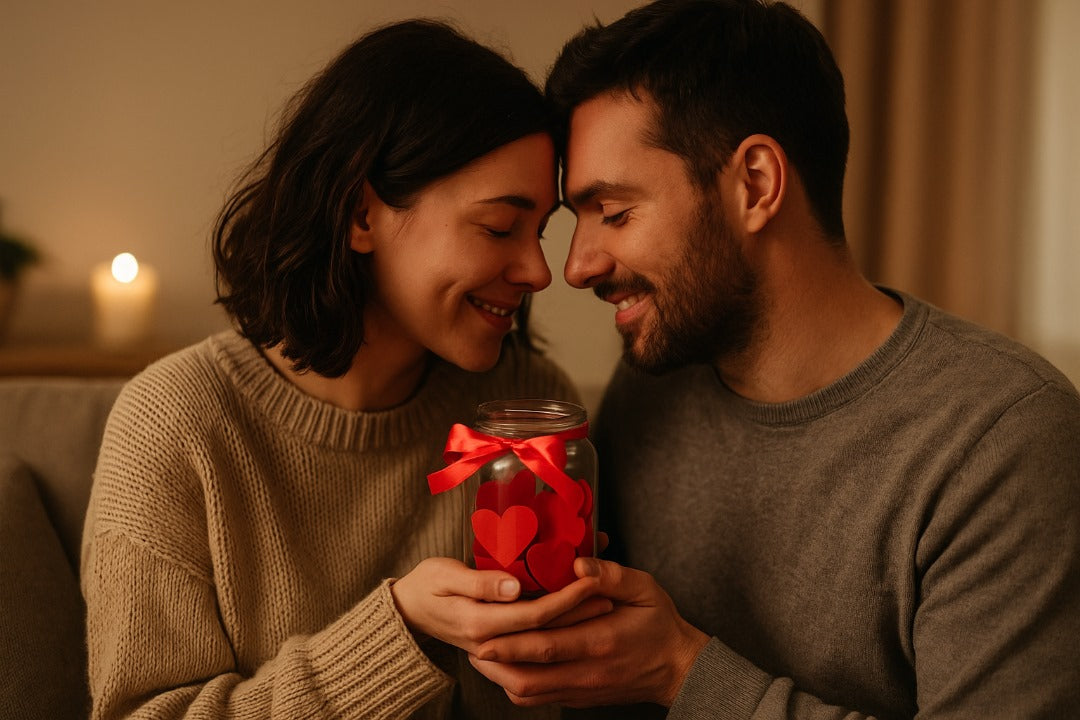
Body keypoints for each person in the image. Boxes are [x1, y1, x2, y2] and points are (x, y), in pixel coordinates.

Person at [467, 1, 1080, 717]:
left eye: (617, 211)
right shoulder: (654, 385)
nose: (576, 267)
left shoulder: (1003, 438)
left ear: (756, 184)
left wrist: (680, 671)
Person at [80, 19, 609, 720]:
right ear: (363, 212)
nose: (540, 271)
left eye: (539, 230)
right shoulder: (175, 426)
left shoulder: (527, 406)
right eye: (498, 227)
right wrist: (402, 631)